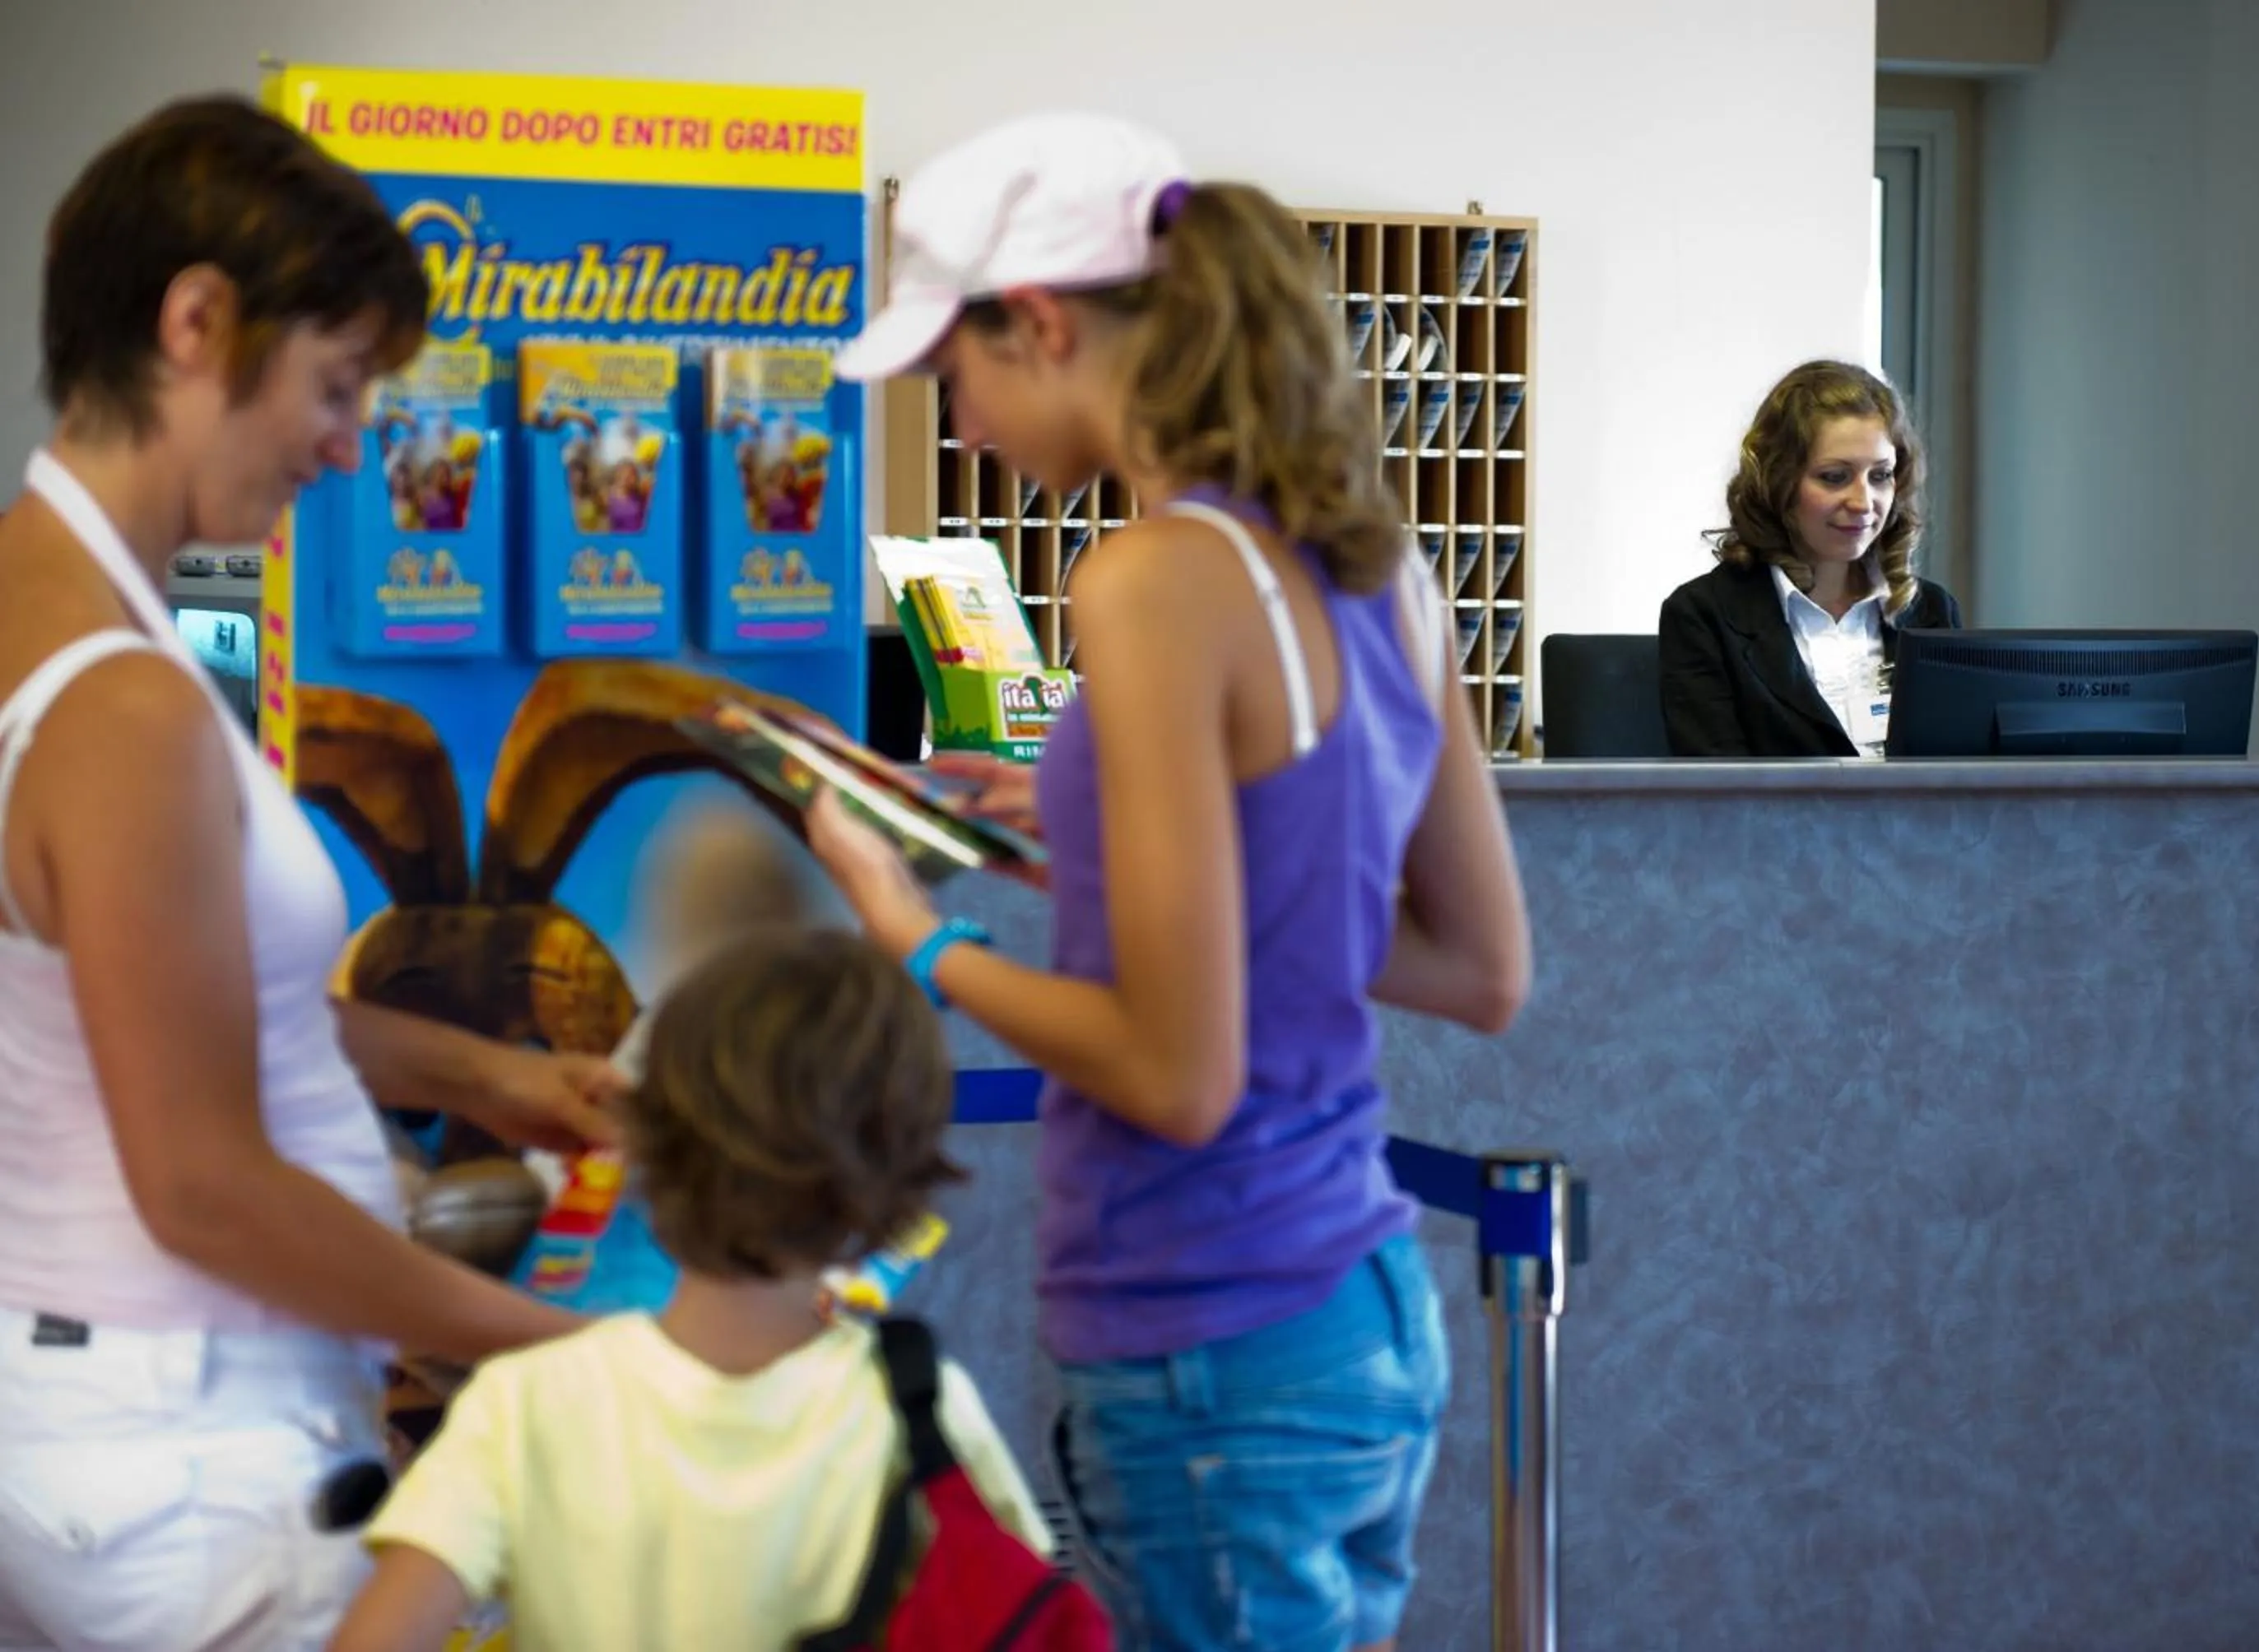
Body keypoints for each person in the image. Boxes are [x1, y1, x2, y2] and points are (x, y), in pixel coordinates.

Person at [807, 112, 1533, 1652]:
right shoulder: (1382, 569)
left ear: (1043, 323)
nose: (963, 424)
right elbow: (1476, 965)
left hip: (1208, 1335)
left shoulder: (1146, 580)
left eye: (954, 373)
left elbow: (1177, 1076)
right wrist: (1111, 844)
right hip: (1359, 1314)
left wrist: (915, 940)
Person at [0, 96, 616, 1652]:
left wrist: (496, 1074)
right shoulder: (119, 704)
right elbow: (201, 1183)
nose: (350, 449)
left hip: (121, 1426)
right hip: (193, 1456)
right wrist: (566, 1349)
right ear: (197, 323)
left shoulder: (59, 618)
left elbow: (186, 1007)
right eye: (335, 387)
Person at [328, 927, 1051, 1652]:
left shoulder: (526, 1403)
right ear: (898, 1184)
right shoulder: (918, 1409)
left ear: (642, 1147)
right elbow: (1030, 1620)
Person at [1658, 360, 1963, 758]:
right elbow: (1721, 787)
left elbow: (1956, 773)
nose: (1863, 502)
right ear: (1778, 482)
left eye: (1880, 476)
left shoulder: (1931, 611)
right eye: (1834, 477)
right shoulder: (1703, 615)